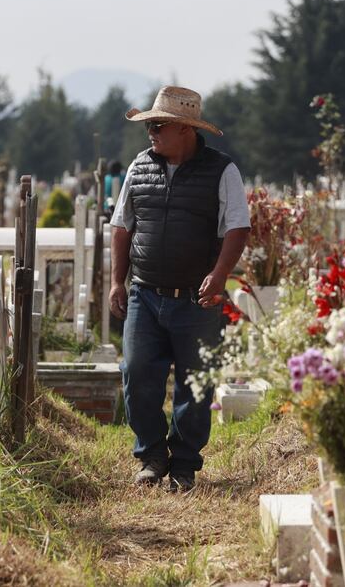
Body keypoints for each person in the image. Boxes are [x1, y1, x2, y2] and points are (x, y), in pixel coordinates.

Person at [109, 86, 251, 492]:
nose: (150, 133)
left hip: (196, 298)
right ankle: (152, 455)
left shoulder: (222, 171)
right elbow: (122, 226)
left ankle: (184, 464)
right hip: (145, 293)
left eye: (158, 125)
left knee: (196, 383)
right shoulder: (139, 167)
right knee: (137, 373)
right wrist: (118, 280)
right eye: (149, 125)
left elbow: (237, 227)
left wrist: (221, 274)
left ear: (185, 129)